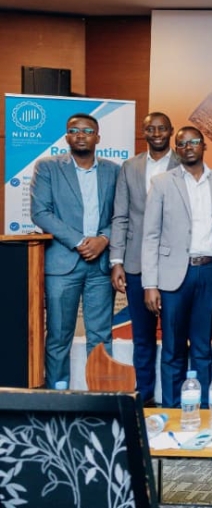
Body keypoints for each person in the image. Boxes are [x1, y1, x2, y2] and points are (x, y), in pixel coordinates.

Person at [142, 126, 212, 407]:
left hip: (211, 271)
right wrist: (150, 284)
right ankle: (171, 409)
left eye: (194, 142)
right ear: (176, 149)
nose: (188, 146)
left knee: (203, 346)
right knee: (172, 347)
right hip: (172, 275)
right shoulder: (161, 182)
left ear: (204, 146)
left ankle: (204, 409)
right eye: (182, 143)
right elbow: (151, 235)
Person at [31, 113, 119, 388]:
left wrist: (104, 238)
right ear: (67, 137)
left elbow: (122, 214)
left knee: (101, 336)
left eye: (87, 130)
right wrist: (81, 241)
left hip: (101, 266)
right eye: (74, 130)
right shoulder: (48, 167)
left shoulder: (114, 170)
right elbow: (40, 212)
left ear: (98, 137)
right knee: (58, 335)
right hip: (62, 263)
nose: (81, 135)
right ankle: (58, 400)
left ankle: (102, 397)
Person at [109, 112, 178, 405]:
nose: (158, 132)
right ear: (144, 132)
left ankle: (174, 400)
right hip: (137, 263)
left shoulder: (184, 163)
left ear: (171, 131)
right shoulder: (130, 167)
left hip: (176, 265)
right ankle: (145, 397)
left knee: (175, 339)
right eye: (151, 128)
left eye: (163, 128)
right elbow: (121, 217)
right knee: (143, 337)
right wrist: (117, 261)